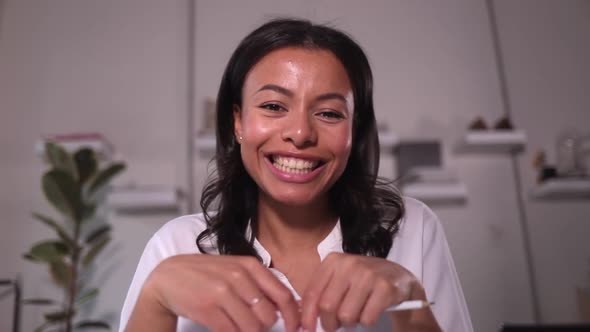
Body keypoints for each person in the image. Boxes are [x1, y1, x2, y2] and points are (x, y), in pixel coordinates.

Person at [119, 18, 473, 332]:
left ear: (355, 131)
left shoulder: (414, 230)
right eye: (273, 106)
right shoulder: (176, 246)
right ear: (237, 122)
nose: (301, 133)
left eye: (330, 113)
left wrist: (411, 298)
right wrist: (154, 299)